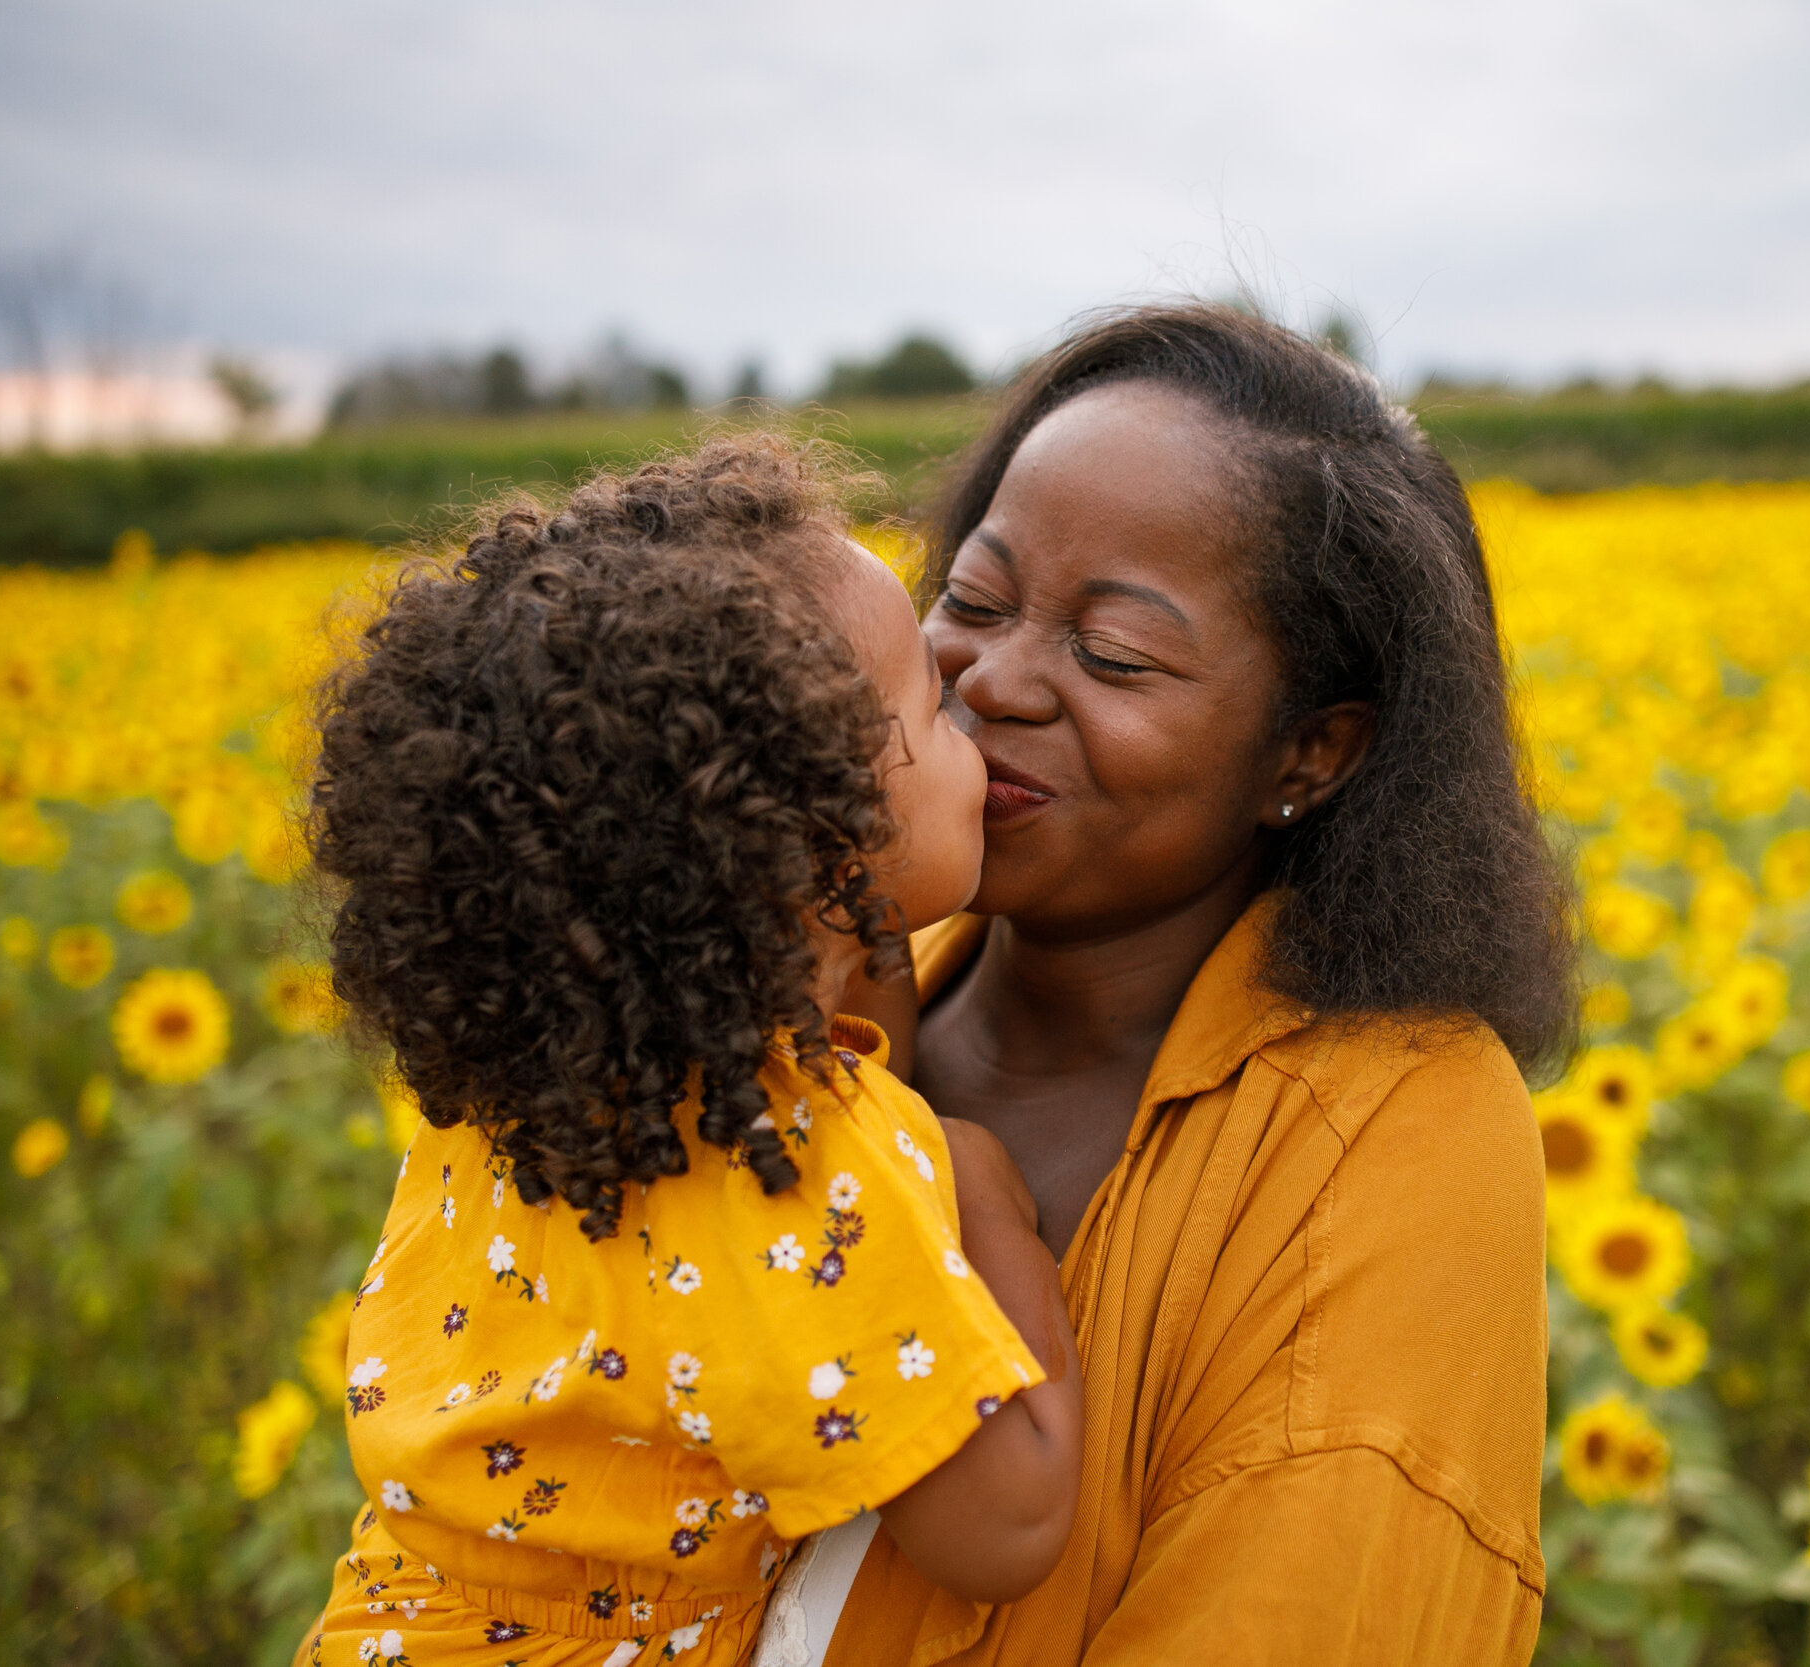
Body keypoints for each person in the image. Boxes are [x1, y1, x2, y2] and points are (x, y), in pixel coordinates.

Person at [806, 303, 1578, 1664]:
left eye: (1115, 655)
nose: (997, 679)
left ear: (1312, 752)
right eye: (974, 601)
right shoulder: (794, 1007)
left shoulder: (1398, 1130)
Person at [293, 436, 1083, 1667]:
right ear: (821, 846)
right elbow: (1009, 1522)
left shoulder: (533, 1077)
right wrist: (982, 1194)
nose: (975, 710)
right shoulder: (793, 1165)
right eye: (932, 714)